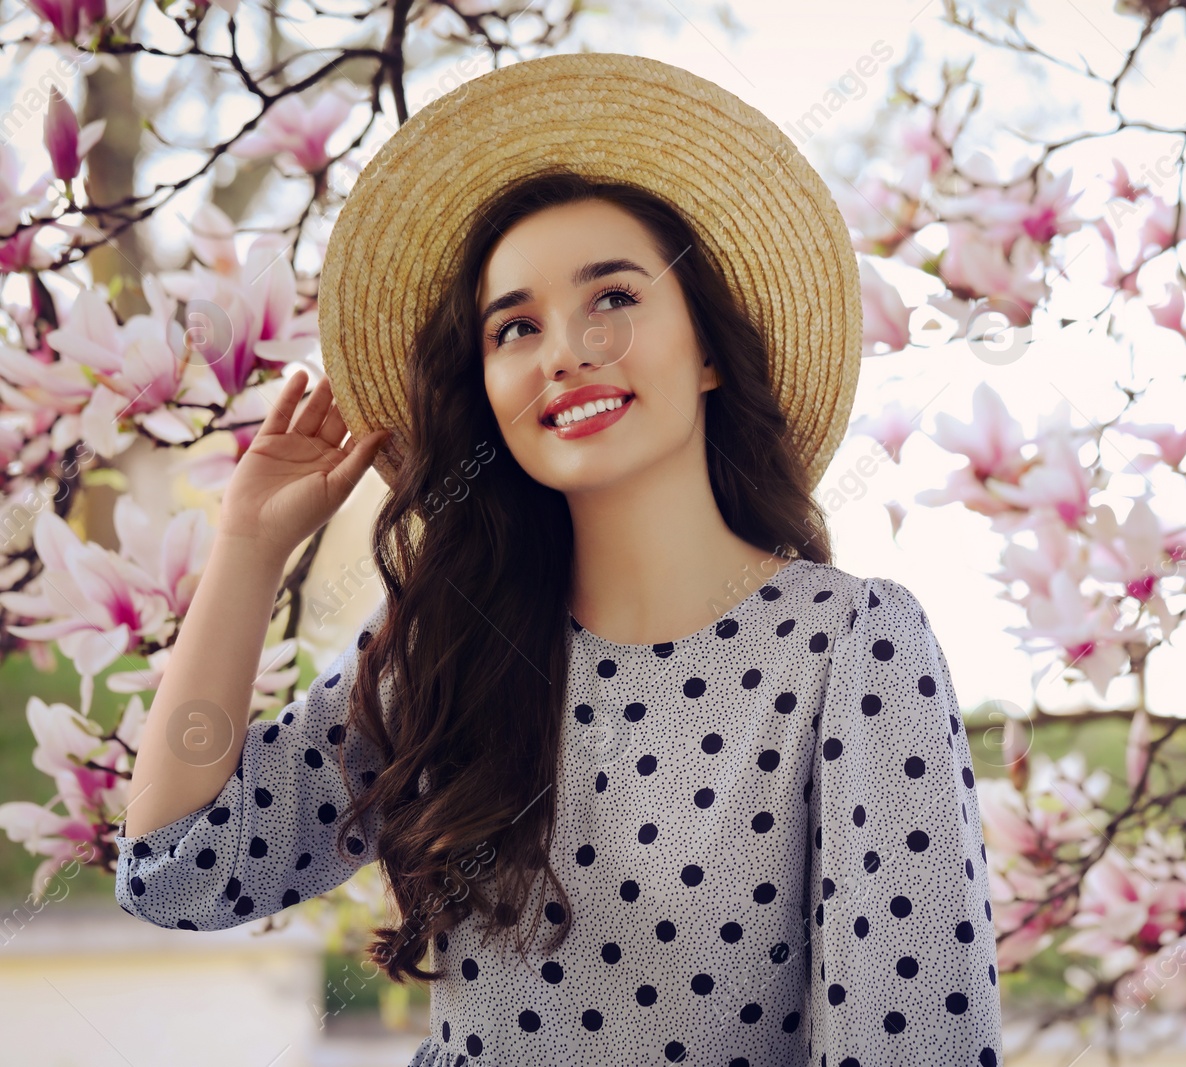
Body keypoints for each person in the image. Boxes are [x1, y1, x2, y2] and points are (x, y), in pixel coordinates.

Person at [114, 52, 1002, 1066]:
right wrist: (247, 546)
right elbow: (179, 870)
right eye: (515, 326)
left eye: (613, 298)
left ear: (708, 350)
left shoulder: (851, 647)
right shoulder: (449, 639)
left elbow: (908, 1043)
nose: (562, 352)